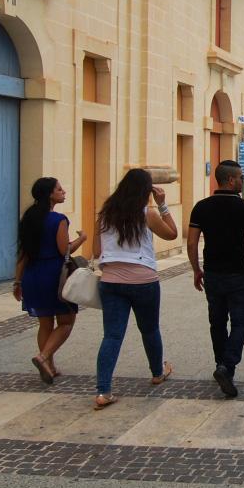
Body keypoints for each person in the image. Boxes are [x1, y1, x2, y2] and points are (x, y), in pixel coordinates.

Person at [93, 168, 178, 410]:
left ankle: (103, 391)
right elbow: (172, 234)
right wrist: (163, 205)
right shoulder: (147, 213)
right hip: (143, 280)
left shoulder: (105, 215)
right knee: (149, 329)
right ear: (146, 191)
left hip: (110, 281)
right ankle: (157, 372)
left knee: (112, 336)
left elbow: (98, 251)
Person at [188, 160, 244, 398]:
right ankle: (227, 366)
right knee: (241, 322)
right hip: (237, 273)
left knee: (217, 322)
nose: (243, 180)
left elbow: (192, 242)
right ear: (231, 180)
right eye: (241, 177)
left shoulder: (201, 207)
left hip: (212, 272)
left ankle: (220, 363)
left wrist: (196, 269)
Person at [14, 177, 87, 384]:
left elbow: (23, 254)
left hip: (32, 275)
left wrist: (17, 282)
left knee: (45, 322)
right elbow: (65, 251)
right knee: (66, 321)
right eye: (59, 189)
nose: (63, 191)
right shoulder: (58, 220)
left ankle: (50, 366)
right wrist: (82, 238)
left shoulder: (28, 217)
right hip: (53, 275)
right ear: (49, 194)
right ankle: (43, 357)